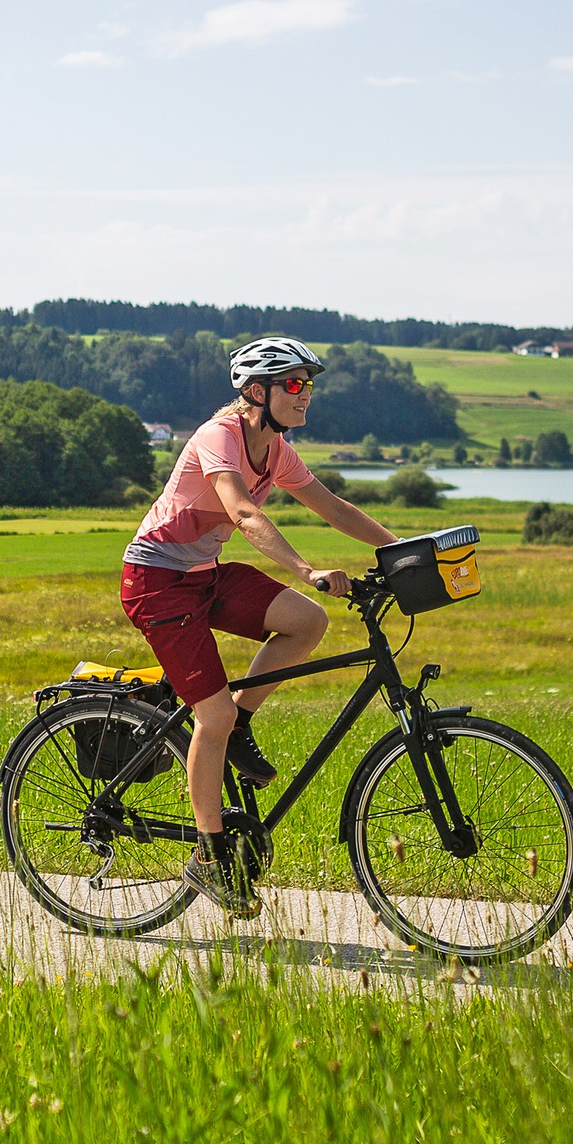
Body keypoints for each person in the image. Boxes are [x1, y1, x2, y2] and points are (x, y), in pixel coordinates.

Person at [120, 337, 400, 914]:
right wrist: (304, 567)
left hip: (203, 574)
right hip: (157, 580)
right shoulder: (217, 436)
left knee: (307, 621)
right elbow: (244, 512)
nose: (305, 396)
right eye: (294, 384)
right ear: (255, 391)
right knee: (212, 715)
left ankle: (240, 728)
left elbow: (333, 507)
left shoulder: (276, 451)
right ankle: (207, 855)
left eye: (308, 385)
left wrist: (405, 548)